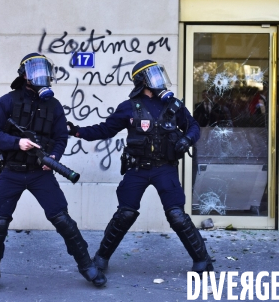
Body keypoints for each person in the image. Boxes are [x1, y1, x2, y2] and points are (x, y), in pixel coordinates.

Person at [0, 53, 106, 297]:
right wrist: (16, 142)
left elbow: (61, 138)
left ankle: (87, 266)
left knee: (63, 219)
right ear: (24, 75)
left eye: (44, 71)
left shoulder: (53, 106)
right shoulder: (8, 101)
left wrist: (54, 157)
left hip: (40, 173)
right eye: (35, 71)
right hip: (11, 172)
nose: (41, 76)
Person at [67, 59, 214, 275]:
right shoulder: (128, 107)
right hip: (138, 169)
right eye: (153, 76)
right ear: (141, 81)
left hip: (165, 168)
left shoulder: (173, 105)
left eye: (158, 74)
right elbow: (105, 130)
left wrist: (187, 140)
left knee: (176, 216)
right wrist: (77, 131)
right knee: (125, 214)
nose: (159, 80)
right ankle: (101, 258)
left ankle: (202, 260)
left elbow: (193, 126)